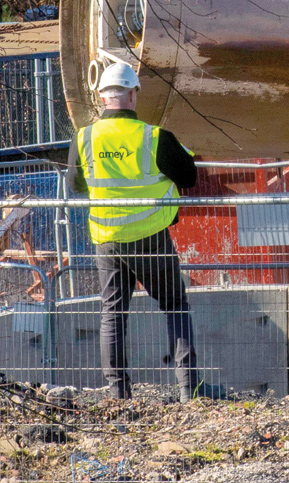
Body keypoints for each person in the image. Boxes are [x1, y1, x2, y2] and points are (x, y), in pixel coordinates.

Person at [67, 62, 219, 402]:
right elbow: (190, 177)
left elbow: (76, 184)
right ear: (134, 94)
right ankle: (188, 388)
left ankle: (119, 393)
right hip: (151, 237)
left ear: (101, 96)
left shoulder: (85, 137)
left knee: (112, 312)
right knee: (175, 305)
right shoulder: (154, 137)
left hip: (107, 240)